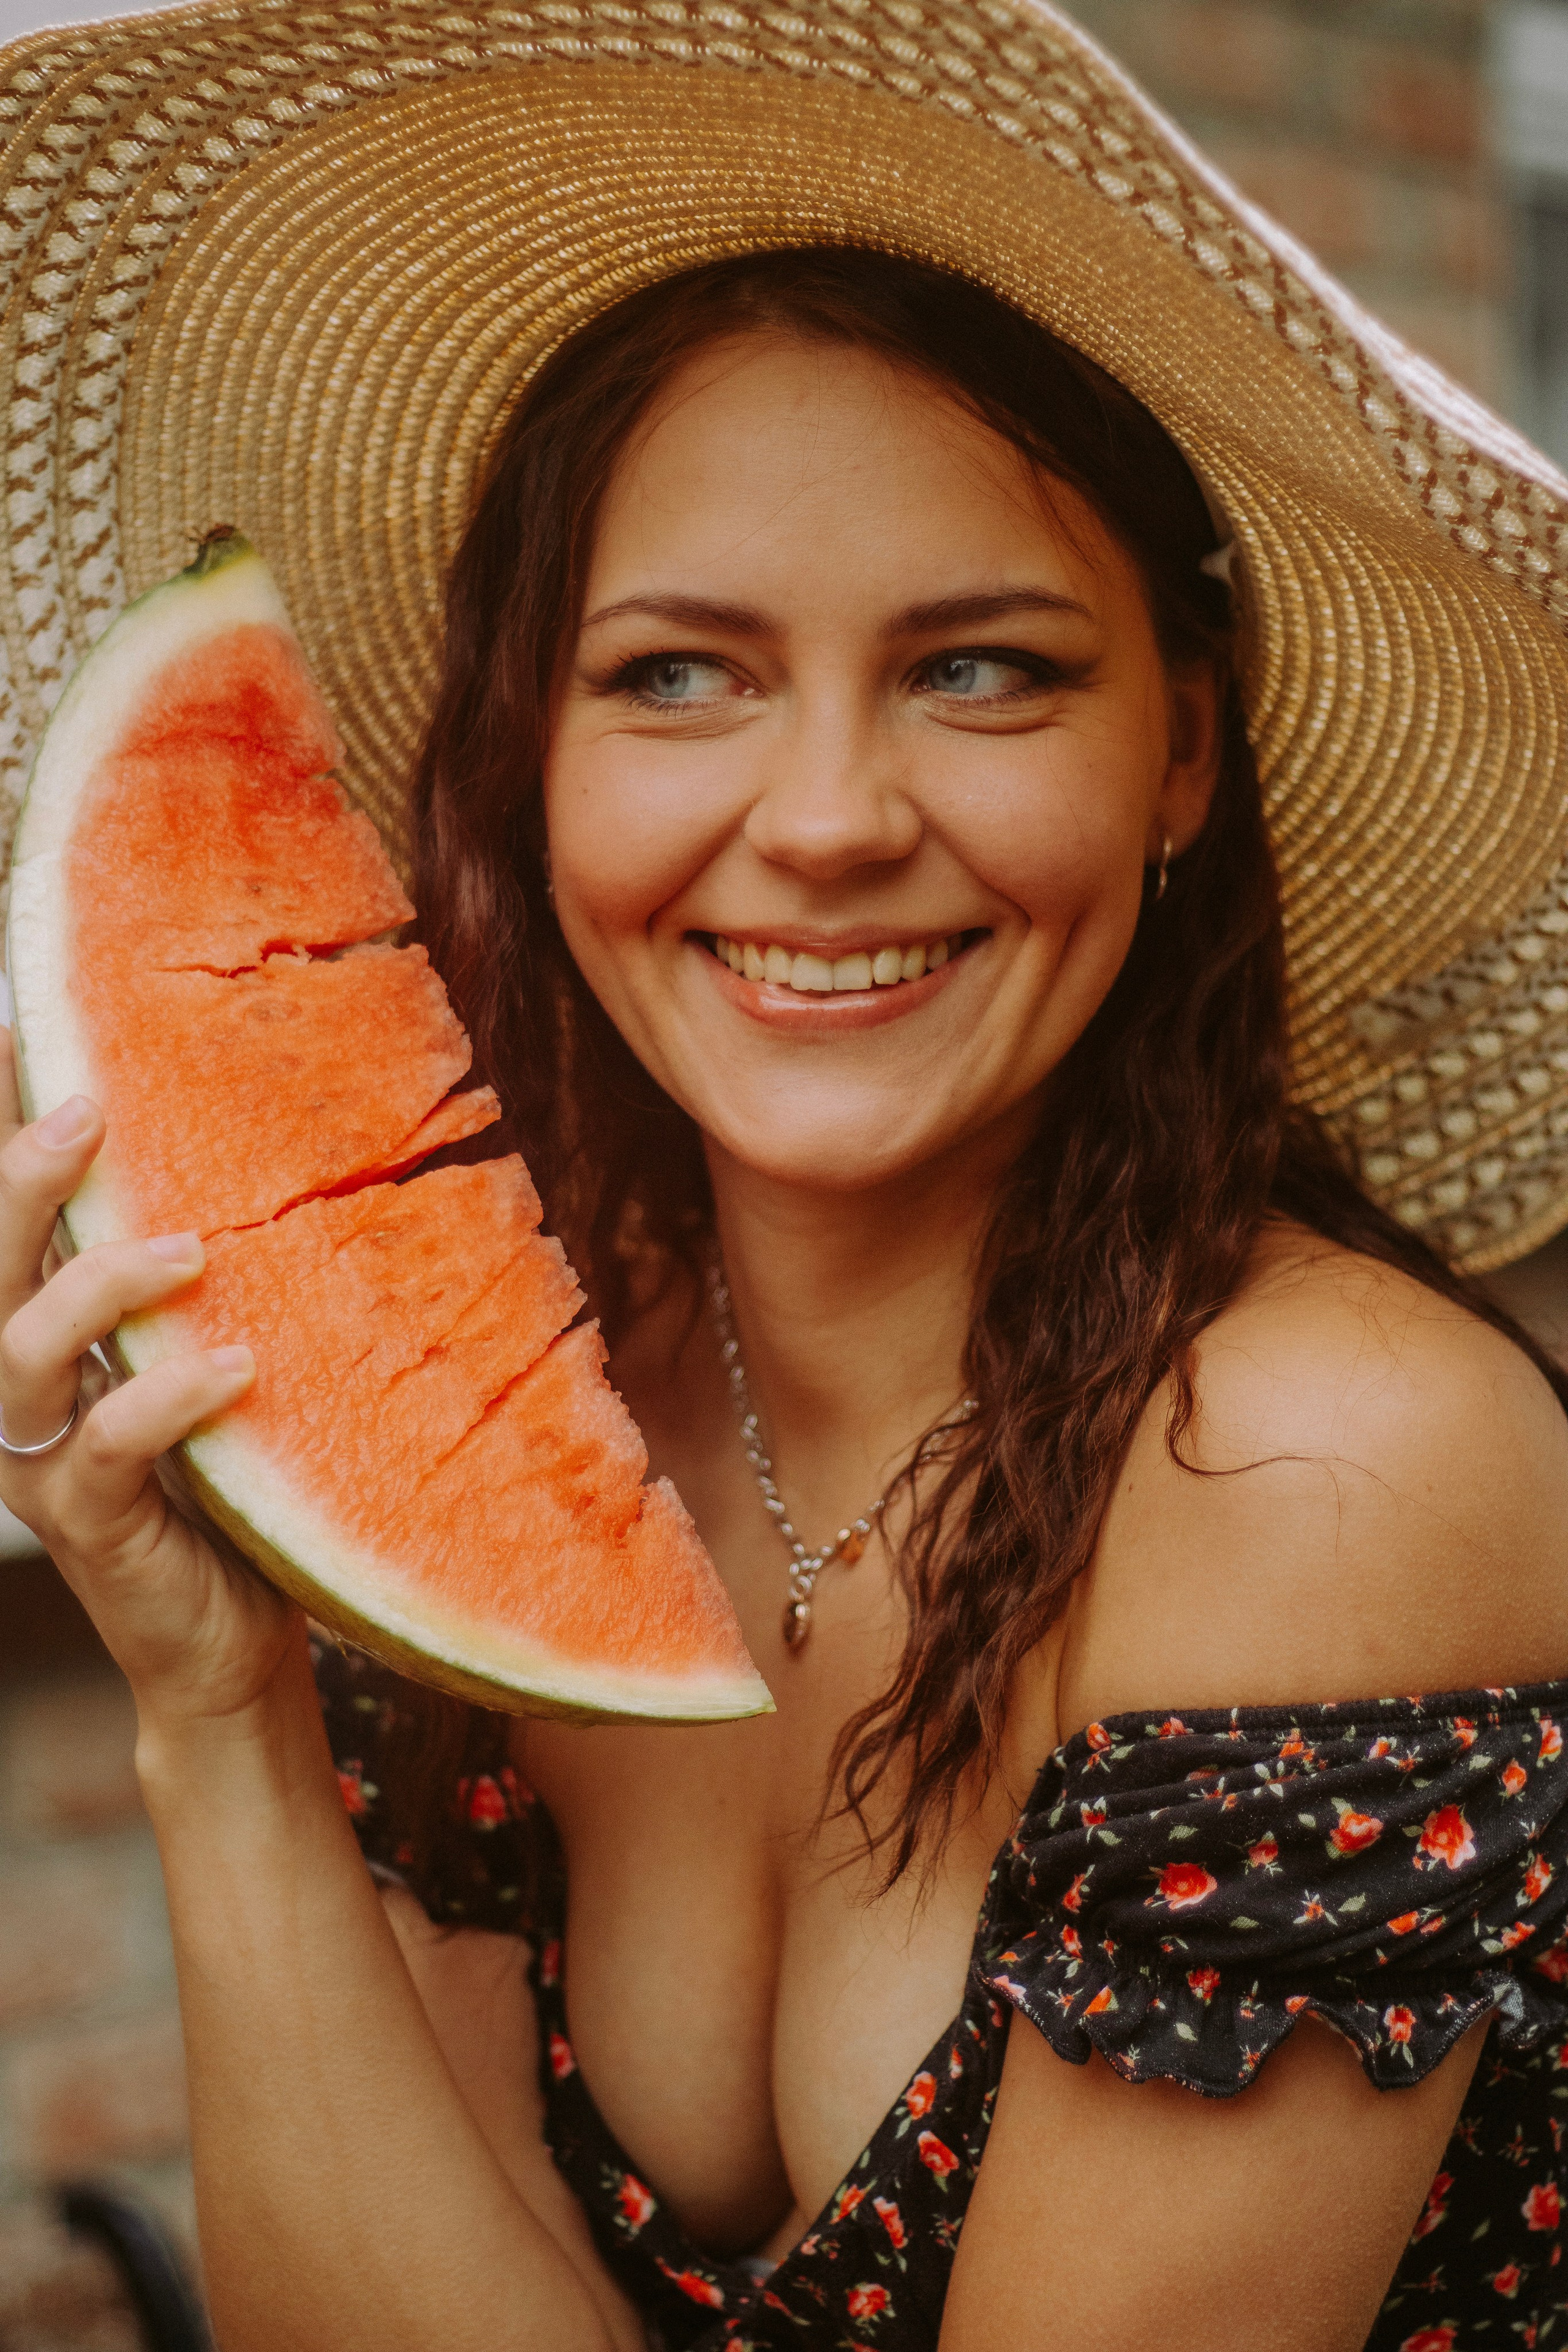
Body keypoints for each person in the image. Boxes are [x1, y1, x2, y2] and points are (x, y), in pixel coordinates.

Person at [2, 9, 1568, 2351]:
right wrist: (219, 1717)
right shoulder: (516, 1384)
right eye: (674, 679)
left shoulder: (1324, 1472)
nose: (826, 820)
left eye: (982, 671)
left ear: (1183, 756)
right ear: (527, 754)